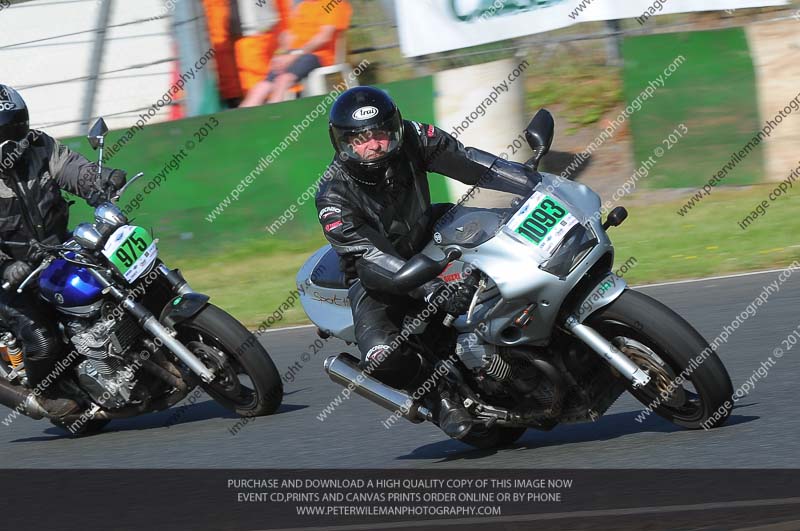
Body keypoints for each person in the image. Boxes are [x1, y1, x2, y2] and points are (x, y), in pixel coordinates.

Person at [315, 86, 534, 439]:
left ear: (394, 130)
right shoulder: (333, 196)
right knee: (380, 356)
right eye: (360, 139)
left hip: (430, 233)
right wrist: (433, 290)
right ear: (343, 144)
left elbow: (470, 162)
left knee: (502, 230)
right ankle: (441, 394)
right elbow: (372, 257)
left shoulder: (416, 138)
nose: (373, 145)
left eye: (380, 135)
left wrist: (528, 182)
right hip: (377, 277)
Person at [0, 84, 126, 418]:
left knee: (121, 277)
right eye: (4, 131)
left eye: (17, 126)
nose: (15, 139)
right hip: (12, 274)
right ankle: (47, 393)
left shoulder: (39, 146)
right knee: (41, 337)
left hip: (57, 248)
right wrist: (5, 266)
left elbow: (73, 168)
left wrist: (100, 180)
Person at [240, 0, 353, 106]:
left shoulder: (335, 4)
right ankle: (239, 122)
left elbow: (324, 37)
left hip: (318, 56)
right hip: (295, 55)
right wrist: (281, 54)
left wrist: (295, 54)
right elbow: (291, 36)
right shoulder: (304, 6)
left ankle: (273, 117)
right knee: (263, 85)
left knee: (283, 79)